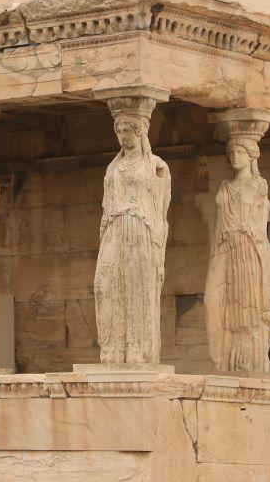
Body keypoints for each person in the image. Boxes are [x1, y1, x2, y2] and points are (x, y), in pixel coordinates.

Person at [95, 114, 171, 364]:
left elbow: (161, 208)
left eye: (126, 130)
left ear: (139, 132)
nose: (122, 135)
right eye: (119, 131)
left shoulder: (156, 166)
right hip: (113, 228)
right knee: (104, 286)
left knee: (137, 288)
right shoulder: (113, 167)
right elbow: (106, 204)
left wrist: (158, 249)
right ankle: (113, 350)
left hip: (140, 230)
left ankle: (138, 350)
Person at [205, 137, 270, 372]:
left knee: (248, 310)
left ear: (252, 156)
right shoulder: (224, 186)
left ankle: (247, 365)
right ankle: (222, 361)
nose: (235, 156)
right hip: (224, 249)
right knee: (212, 301)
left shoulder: (259, 186)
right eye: (231, 152)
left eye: (240, 152)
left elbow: (259, 227)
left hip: (248, 250)